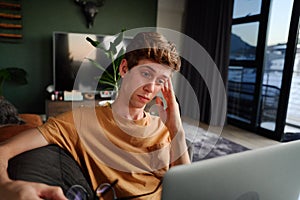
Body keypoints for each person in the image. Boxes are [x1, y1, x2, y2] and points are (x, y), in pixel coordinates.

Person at [0, 31, 190, 200]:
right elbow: (4, 150)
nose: (151, 88)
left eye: (161, 81)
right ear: (124, 69)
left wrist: (176, 129)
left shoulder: (165, 127)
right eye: (146, 74)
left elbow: (186, 189)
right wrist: (6, 186)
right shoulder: (80, 121)